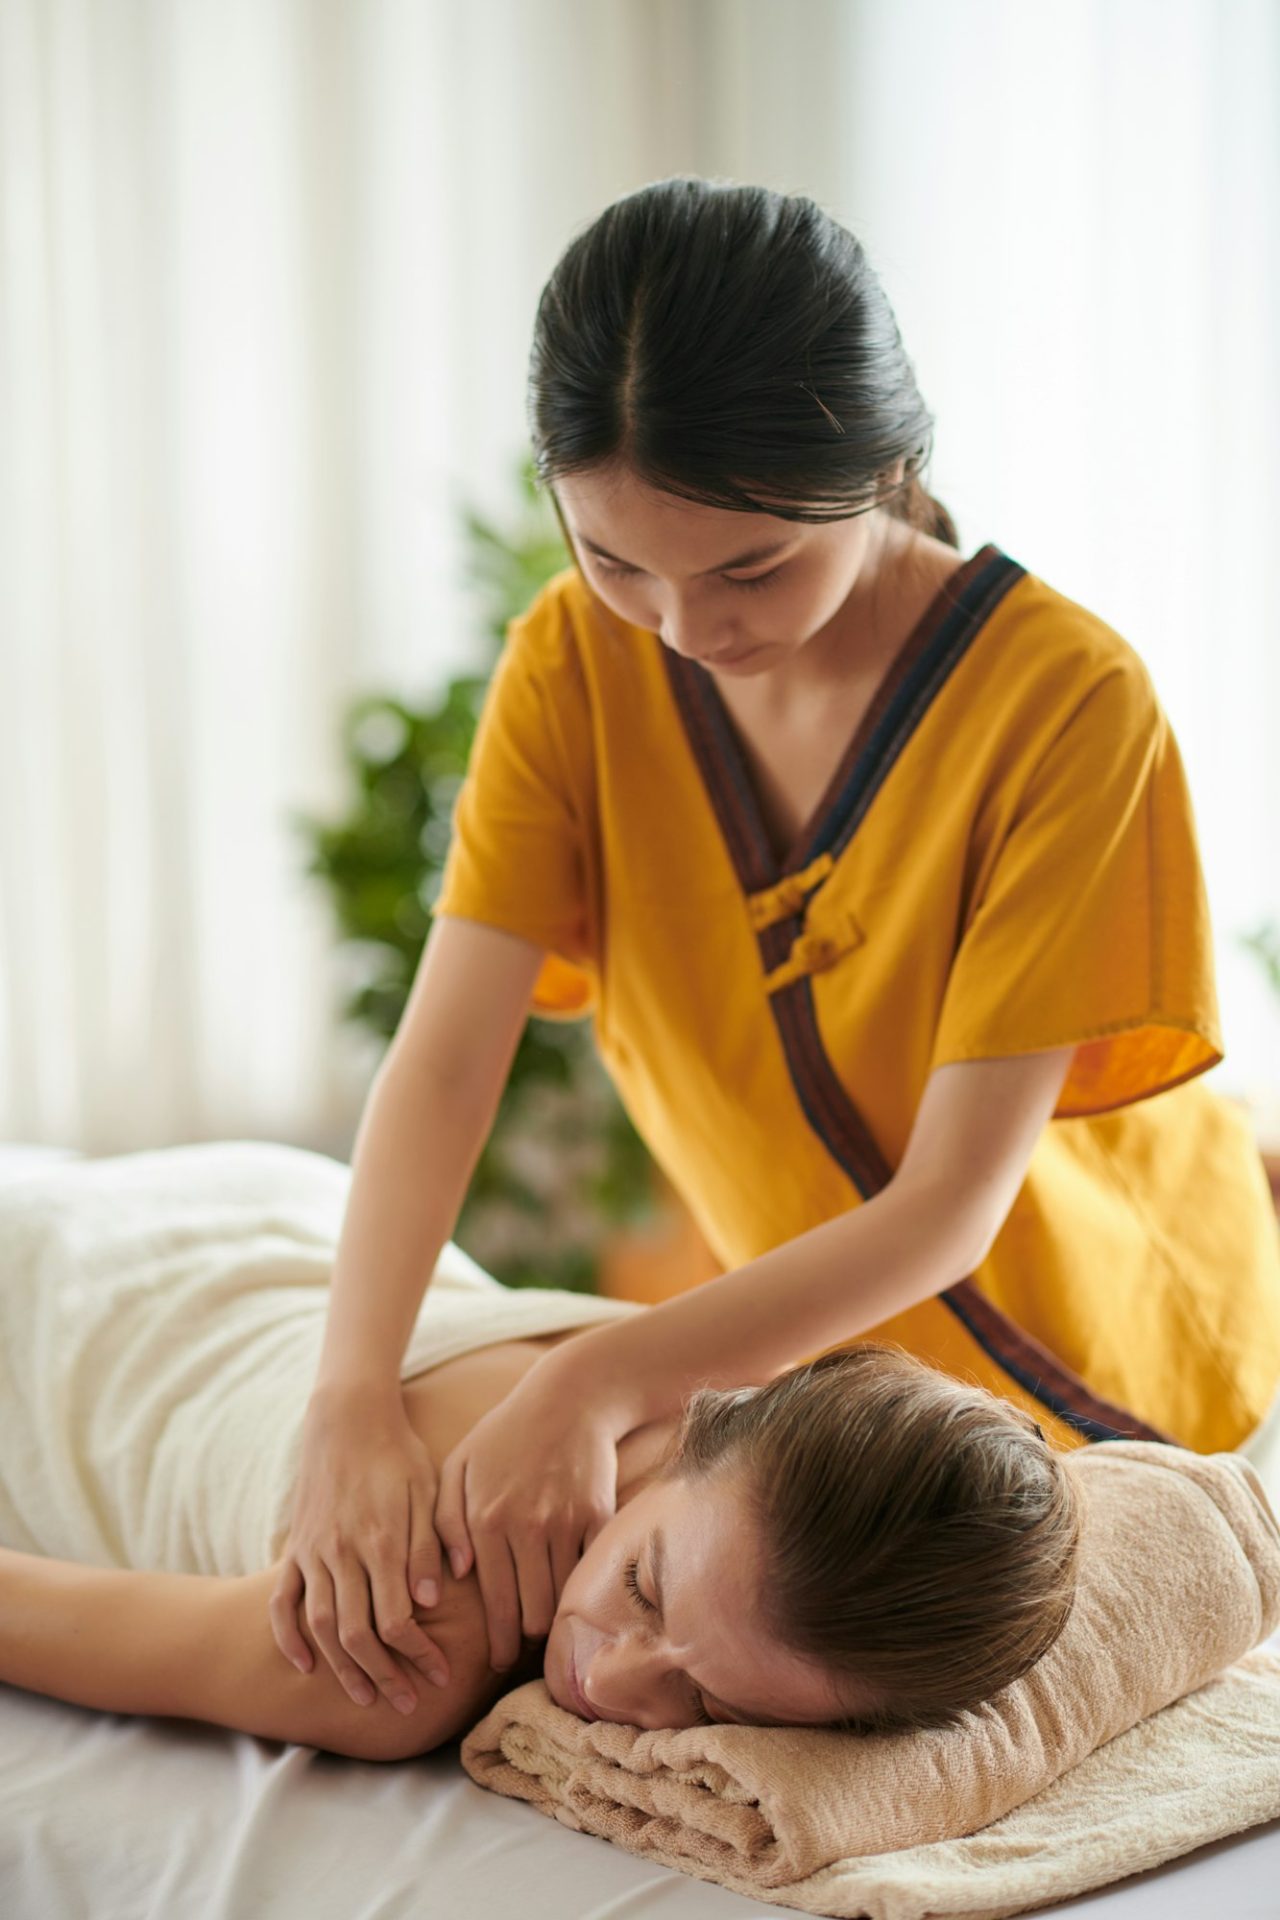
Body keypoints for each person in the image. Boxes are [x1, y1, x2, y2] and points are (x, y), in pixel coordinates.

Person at [270, 175, 1280, 1712]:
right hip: (817, 1438)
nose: (686, 629)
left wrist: (593, 1377)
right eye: (617, 560)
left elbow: (946, 1208)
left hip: (1131, 1390)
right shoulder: (571, 666)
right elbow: (446, 1061)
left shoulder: (1070, 706)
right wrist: (349, 1398)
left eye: (749, 568)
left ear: (888, 468)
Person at [0, 1140, 1081, 1753]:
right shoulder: (409, 1636)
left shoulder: (722, 1390)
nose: (611, 1682)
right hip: (56, 1311)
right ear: (711, 1417)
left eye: (712, 1707)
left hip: (259, 1203)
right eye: (645, 1586)